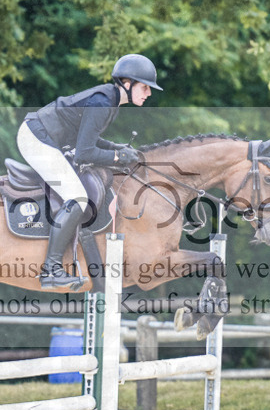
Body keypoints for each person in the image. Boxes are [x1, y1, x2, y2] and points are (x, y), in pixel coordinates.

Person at [17, 53, 163, 289]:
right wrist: (117, 157)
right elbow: (84, 153)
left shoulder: (110, 101)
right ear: (127, 83)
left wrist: (116, 148)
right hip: (36, 138)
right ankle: (51, 269)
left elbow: (88, 138)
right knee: (78, 197)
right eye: (145, 88)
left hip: (46, 137)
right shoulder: (102, 102)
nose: (149, 93)